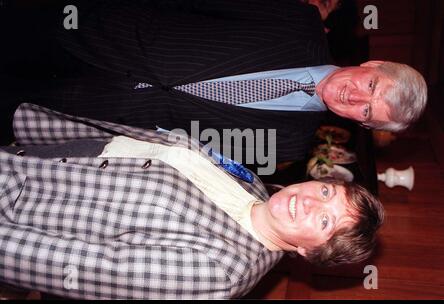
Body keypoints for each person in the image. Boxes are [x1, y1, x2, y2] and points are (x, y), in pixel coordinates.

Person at [0, 103, 384, 299]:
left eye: (324, 223)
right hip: (36, 156)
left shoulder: (219, 275)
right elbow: (150, 145)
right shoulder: (255, 188)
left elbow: (76, 266)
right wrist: (31, 127)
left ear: (306, 251)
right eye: (327, 193)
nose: (311, 203)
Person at [3, 0, 427, 165]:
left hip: (98, 108)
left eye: (367, 110)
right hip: (97, 29)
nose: (354, 96)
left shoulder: (287, 147)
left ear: (364, 125)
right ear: (373, 63)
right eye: (370, 86)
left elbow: (185, 153)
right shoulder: (298, 24)